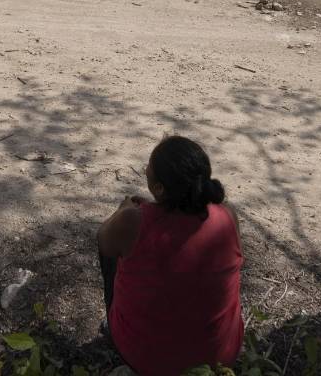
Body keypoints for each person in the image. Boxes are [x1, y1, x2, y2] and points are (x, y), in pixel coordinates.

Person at [97, 136, 244, 375]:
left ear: (159, 188)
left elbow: (103, 240)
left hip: (146, 360)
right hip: (220, 358)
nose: (146, 168)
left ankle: (117, 327)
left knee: (113, 249)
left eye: (149, 165)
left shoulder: (133, 221)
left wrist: (123, 212)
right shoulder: (228, 216)